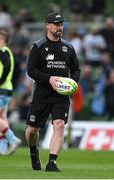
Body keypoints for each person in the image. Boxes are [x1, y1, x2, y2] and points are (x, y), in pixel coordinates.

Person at [25, 12, 81, 172]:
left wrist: (73, 83)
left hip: (61, 96)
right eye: (56, 24)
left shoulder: (68, 47)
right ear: (48, 26)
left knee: (59, 125)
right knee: (32, 130)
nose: (59, 27)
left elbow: (76, 69)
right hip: (42, 94)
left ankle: (52, 162)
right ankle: (33, 152)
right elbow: (31, 70)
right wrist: (49, 79)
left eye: (61, 24)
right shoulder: (38, 46)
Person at [0, 30, 21, 155]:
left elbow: (7, 66)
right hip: (4, 90)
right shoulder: (0, 52)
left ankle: (13, 139)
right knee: (1, 118)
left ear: (2, 41)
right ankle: (2, 147)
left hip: (0, 90)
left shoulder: (3, 51)